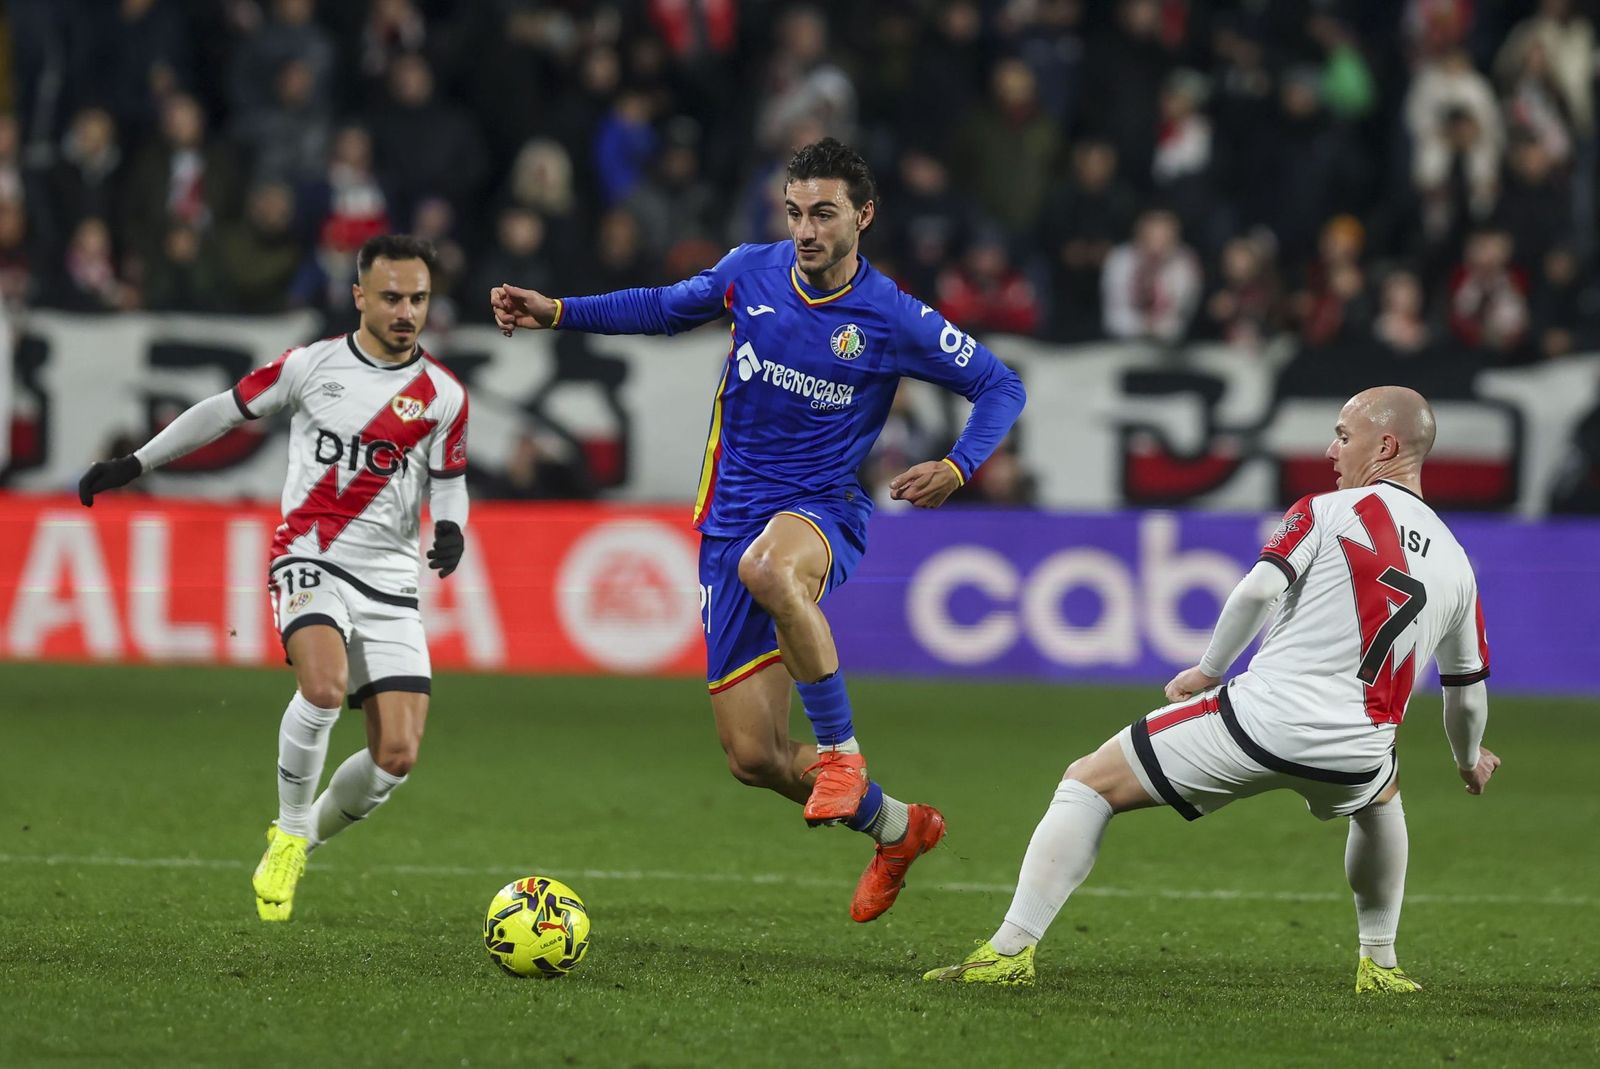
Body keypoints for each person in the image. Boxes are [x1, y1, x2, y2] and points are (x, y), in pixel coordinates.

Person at [490, 138, 1026, 922]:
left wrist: (959, 464)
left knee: (771, 569)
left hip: (822, 512)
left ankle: (844, 753)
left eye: (824, 214)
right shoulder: (753, 271)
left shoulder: (891, 316)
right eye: (795, 212)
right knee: (755, 756)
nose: (806, 230)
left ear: (863, 216)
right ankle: (901, 827)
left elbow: (999, 383)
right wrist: (560, 312)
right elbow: (668, 306)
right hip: (727, 524)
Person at [923, 386, 1497, 989]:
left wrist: (1209, 670)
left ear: (1385, 445)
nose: (1331, 450)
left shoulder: (1326, 511)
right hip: (1356, 750)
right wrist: (1467, 761)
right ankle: (1380, 965)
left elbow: (1255, 591)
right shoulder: (1458, 564)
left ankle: (1008, 954)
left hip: (1259, 724)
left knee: (1087, 782)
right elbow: (1466, 692)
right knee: (1382, 799)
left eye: (1344, 436)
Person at [77, 235, 470, 922]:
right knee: (320, 687)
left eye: (417, 298)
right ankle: (288, 831)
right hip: (310, 555)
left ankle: (301, 839)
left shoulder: (442, 395)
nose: (406, 311)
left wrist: (452, 526)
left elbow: (451, 477)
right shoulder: (313, 366)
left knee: (396, 757)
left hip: (389, 580)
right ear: (359, 296)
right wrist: (136, 463)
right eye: (391, 297)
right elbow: (223, 409)